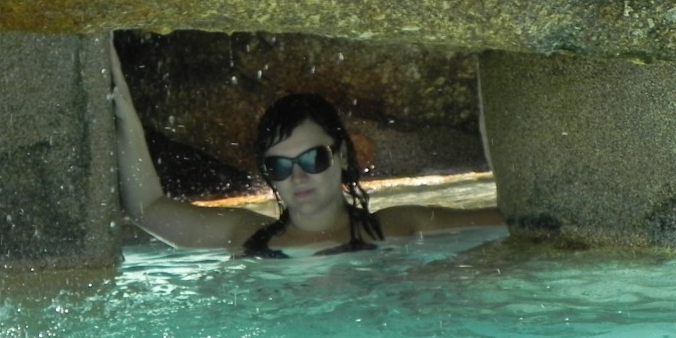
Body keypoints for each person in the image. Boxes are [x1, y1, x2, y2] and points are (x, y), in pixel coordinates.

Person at [110, 40, 504, 257]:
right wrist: (125, 114)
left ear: (342, 155)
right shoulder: (245, 235)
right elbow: (147, 208)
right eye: (280, 167)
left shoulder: (398, 226)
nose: (297, 176)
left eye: (313, 159)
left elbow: (513, 219)